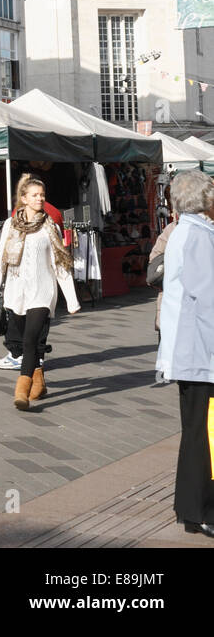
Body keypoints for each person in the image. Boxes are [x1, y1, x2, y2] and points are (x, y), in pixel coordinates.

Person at [0, 174, 80, 411]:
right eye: (35, 195)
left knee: (29, 341)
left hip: (42, 292)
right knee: (24, 342)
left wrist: (71, 298)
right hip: (17, 292)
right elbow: (1, 261)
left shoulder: (50, 226)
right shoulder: (10, 225)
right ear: (24, 198)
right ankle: (39, 381)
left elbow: (60, 263)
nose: (40, 199)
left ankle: (21, 392)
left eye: (42, 195)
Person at [155, 170, 214, 537]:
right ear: (203, 198)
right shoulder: (194, 235)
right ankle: (198, 509)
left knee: (197, 429)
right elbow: (207, 296)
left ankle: (192, 507)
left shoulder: (191, 232)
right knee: (197, 431)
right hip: (199, 349)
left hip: (196, 348)